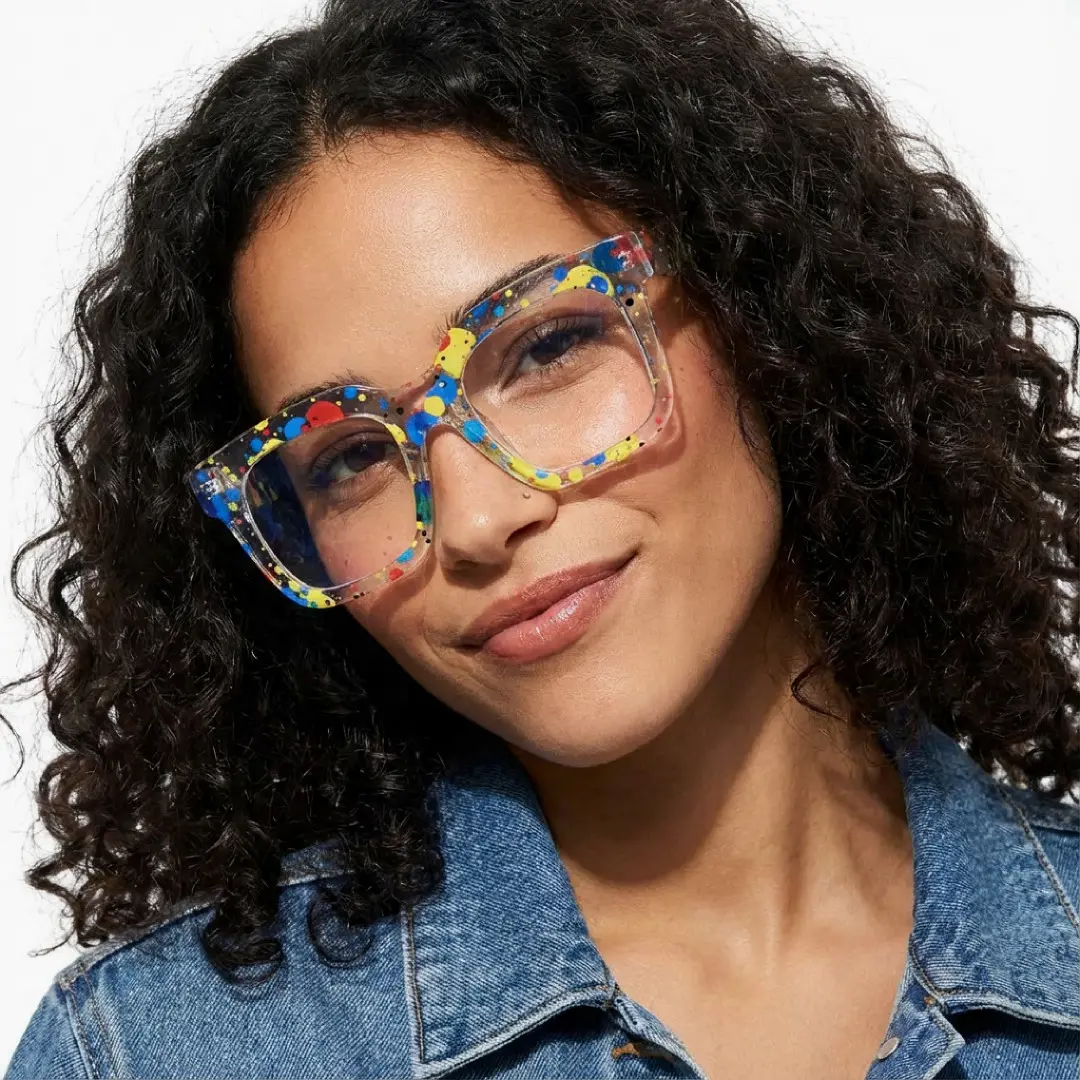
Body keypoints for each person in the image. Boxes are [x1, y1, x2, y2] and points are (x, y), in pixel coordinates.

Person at [4, 1, 1079, 1077]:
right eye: (351, 459)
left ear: (768, 308)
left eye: (548, 346)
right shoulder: (153, 1054)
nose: (475, 520)